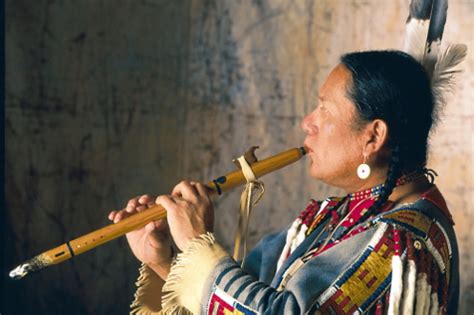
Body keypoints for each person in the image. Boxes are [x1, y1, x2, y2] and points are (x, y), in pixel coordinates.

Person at [108, 50, 459, 314]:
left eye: (325, 108)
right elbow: (238, 299)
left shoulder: (405, 244)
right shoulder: (328, 218)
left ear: (373, 136)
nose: (308, 122)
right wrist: (163, 260)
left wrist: (199, 243)